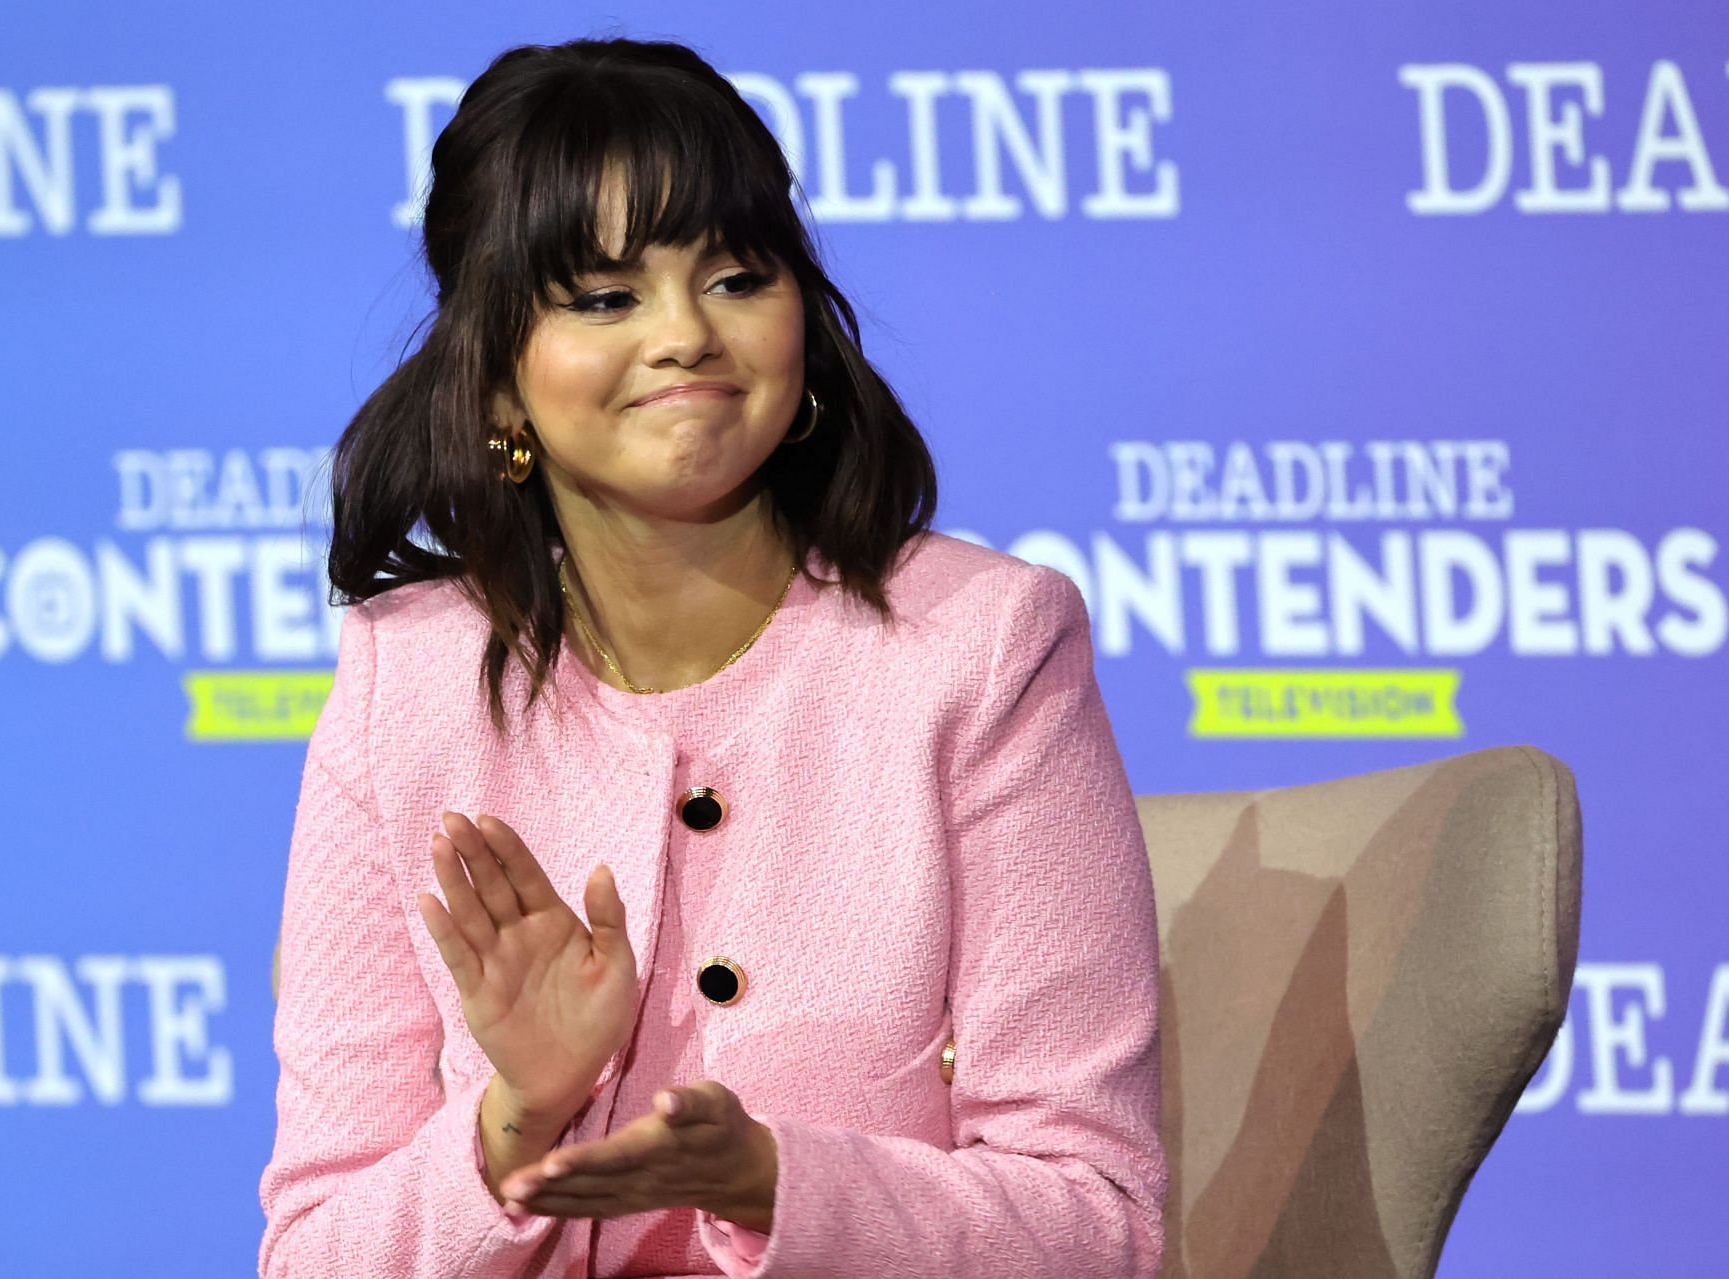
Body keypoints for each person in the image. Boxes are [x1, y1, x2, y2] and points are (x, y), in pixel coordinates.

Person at [257, 33, 1165, 1279]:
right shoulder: (402, 683)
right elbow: (310, 1258)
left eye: (737, 277)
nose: (686, 333)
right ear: (498, 387)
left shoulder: (984, 649)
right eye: (607, 296)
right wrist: (518, 1117)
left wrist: (777, 1187)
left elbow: (1095, 1224)